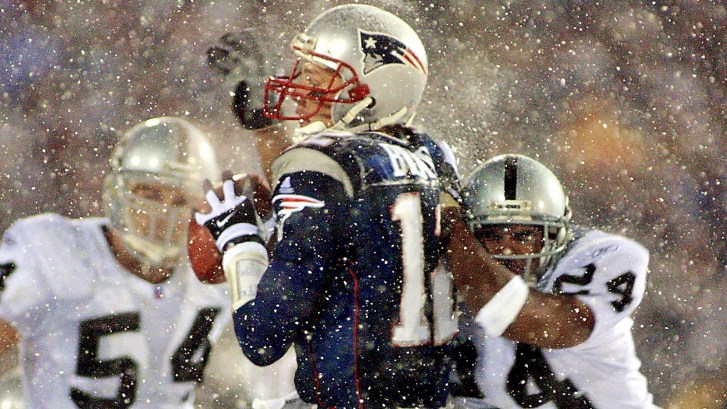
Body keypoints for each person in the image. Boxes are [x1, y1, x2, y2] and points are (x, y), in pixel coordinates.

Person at [195, 4, 460, 408]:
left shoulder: (321, 167)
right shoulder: (433, 156)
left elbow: (262, 338)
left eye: (316, 79)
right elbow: (351, 204)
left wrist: (238, 237)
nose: (298, 89)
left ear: (371, 93)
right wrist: (264, 128)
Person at [0, 116, 232, 409]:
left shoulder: (218, 268)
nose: (164, 213)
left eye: (181, 200)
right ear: (117, 191)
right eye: (150, 194)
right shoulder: (54, 250)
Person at [448, 154, 658, 408]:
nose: (507, 250)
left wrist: (453, 230)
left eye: (523, 235)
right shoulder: (454, 278)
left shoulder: (603, 256)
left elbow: (539, 323)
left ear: (554, 235)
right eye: (492, 235)